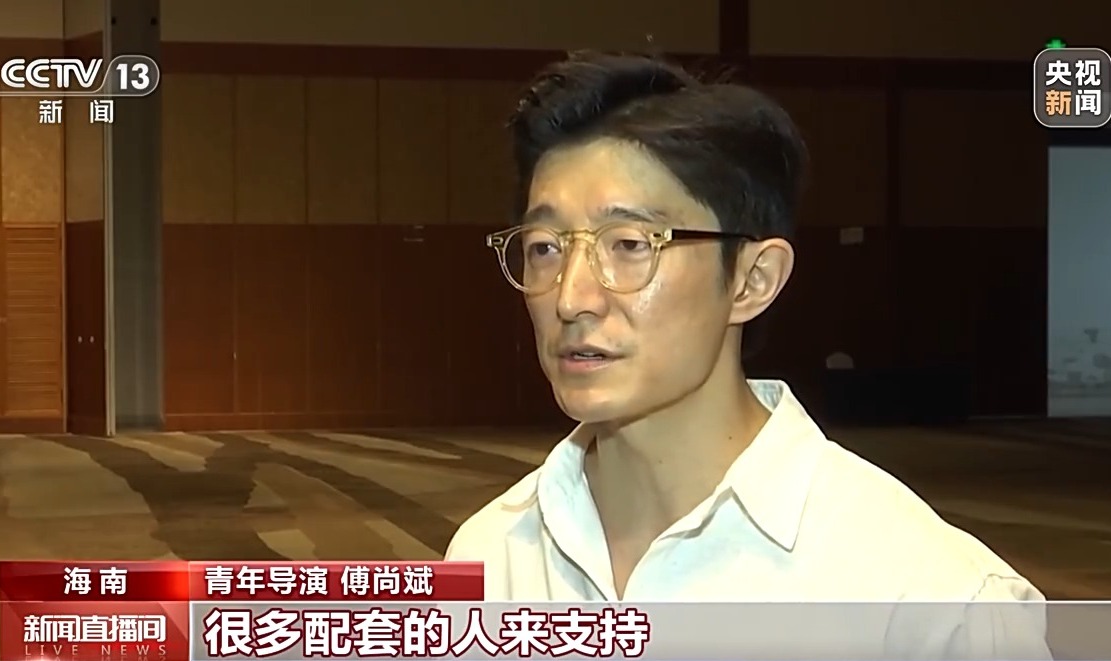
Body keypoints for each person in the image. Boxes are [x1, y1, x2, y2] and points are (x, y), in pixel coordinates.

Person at [445, 51, 1049, 657]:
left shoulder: (932, 605)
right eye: (545, 248)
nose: (571, 297)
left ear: (752, 280)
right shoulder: (490, 561)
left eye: (629, 244)